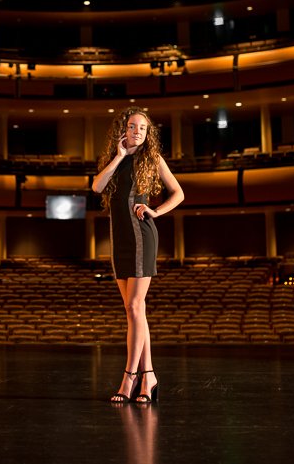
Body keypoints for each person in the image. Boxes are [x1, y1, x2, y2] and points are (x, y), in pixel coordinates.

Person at [92, 107, 184, 404]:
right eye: (133, 127)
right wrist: (118, 155)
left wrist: (155, 211)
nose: (137, 132)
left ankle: (129, 377)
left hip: (142, 235)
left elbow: (178, 193)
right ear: (124, 129)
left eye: (143, 129)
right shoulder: (115, 159)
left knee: (134, 306)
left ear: (147, 133)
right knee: (135, 313)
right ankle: (150, 377)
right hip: (119, 239)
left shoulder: (152, 159)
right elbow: (96, 187)